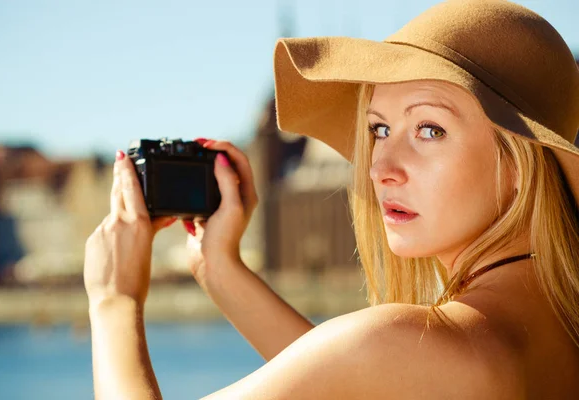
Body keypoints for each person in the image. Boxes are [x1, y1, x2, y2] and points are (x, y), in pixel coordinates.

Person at [83, 0, 579, 398]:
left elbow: (367, 362)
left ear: (519, 163)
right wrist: (220, 270)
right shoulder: (555, 332)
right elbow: (354, 376)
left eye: (429, 129)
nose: (380, 169)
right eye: (379, 129)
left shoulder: (413, 344)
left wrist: (114, 302)